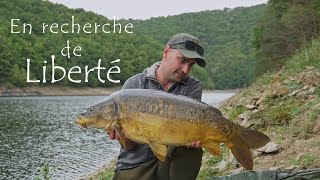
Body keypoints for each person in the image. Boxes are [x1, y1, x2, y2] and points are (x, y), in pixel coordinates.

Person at [108, 33, 207, 180]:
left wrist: (194, 137)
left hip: (170, 160)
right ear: (166, 52)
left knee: (191, 150)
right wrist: (122, 136)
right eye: (182, 60)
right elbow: (129, 147)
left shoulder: (192, 86)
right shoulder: (134, 85)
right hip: (135, 164)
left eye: (190, 65)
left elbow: (188, 132)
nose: (185, 70)